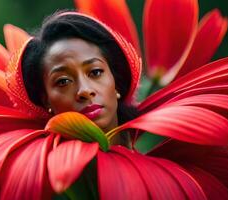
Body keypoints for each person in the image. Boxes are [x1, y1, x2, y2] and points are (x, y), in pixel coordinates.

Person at [20, 11, 141, 146]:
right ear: (46, 101)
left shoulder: (161, 157)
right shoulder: (36, 165)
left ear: (116, 82)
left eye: (95, 72)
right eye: (63, 81)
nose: (85, 90)